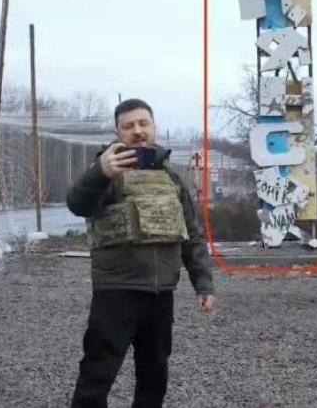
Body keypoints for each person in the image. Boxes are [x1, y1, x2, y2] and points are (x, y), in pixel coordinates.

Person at [67, 98, 215, 408]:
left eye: (143, 123)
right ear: (118, 133)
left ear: (154, 127)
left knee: (154, 376)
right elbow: (78, 203)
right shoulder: (108, 173)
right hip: (116, 292)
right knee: (97, 375)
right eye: (128, 126)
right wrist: (100, 172)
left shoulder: (171, 178)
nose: (137, 131)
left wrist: (203, 283)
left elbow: (192, 234)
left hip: (161, 296)